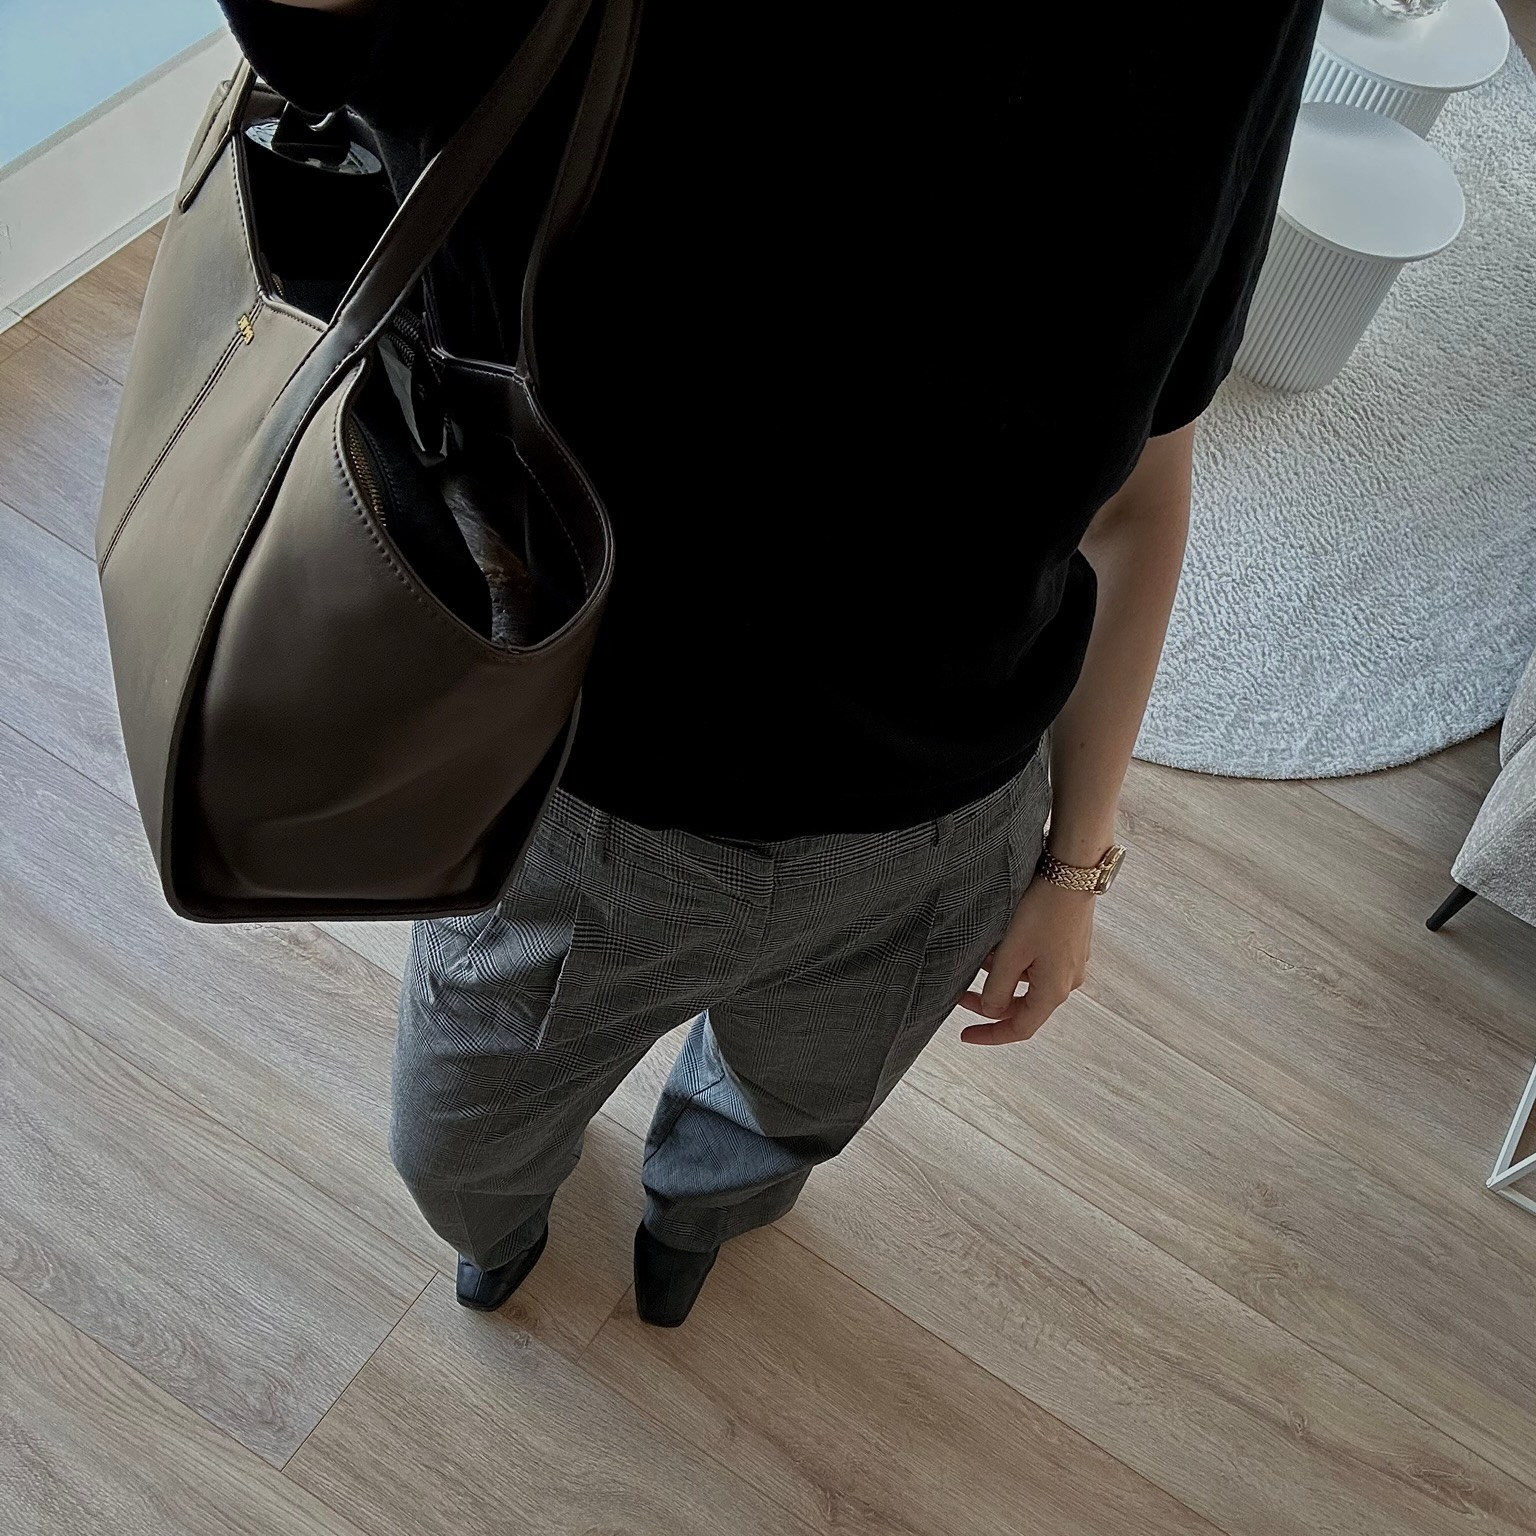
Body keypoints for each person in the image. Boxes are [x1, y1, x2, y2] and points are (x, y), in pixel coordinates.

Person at [221, 0, 1323, 1325]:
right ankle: (496, 1231)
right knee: (456, 1142)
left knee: (787, 1119)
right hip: (572, 791)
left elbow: (1144, 481)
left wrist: (1076, 859)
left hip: (940, 832)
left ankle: (695, 1221)